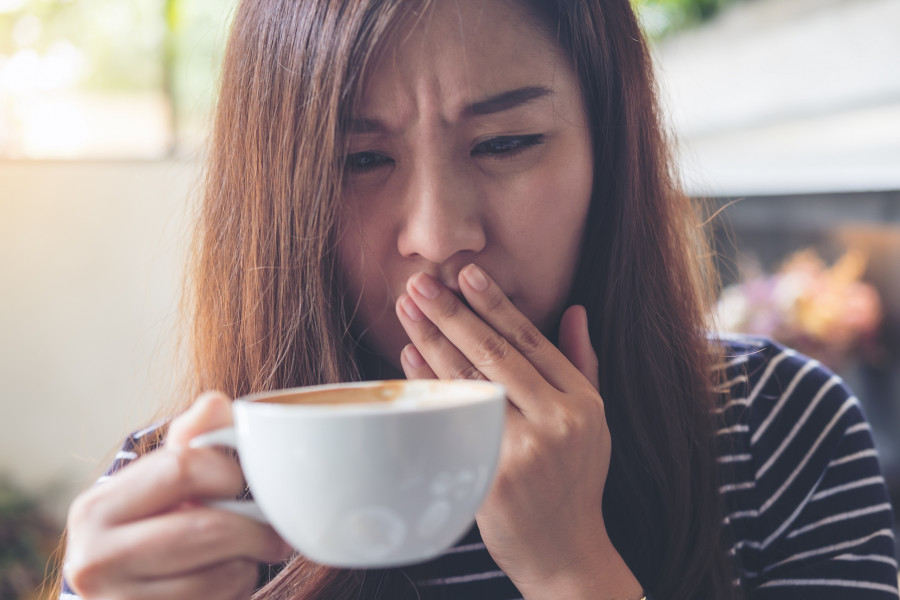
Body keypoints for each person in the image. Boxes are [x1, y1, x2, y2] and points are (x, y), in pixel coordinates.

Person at [59, 0, 899, 599]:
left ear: (609, 150)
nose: (437, 233)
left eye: (506, 143)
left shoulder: (778, 429)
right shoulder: (181, 501)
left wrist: (573, 566)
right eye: (359, 159)